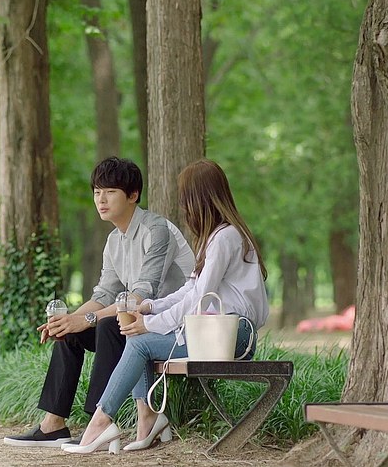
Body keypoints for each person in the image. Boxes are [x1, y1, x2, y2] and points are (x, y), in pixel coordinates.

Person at [62, 158, 269, 455]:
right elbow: (189, 290)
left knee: (140, 340)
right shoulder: (214, 238)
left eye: (186, 198)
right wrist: (149, 308)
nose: (183, 206)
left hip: (234, 334)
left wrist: (150, 323)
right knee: (137, 335)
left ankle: (102, 421)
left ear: (201, 198)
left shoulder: (225, 238)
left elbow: (198, 299)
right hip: (213, 332)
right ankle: (147, 422)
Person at [4, 157, 194, 447]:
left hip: (173, 325)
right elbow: (104, 294)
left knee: (107, 325)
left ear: (133, 195)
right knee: (71, 333)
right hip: (139, 323)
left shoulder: (157, 231)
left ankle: (99, 422)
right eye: (96, 192)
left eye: (110, 192)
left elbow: (141, 296)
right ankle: (53, 424)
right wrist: (68, 321)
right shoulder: (114, 240)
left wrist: (87, 319)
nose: (101, 200)